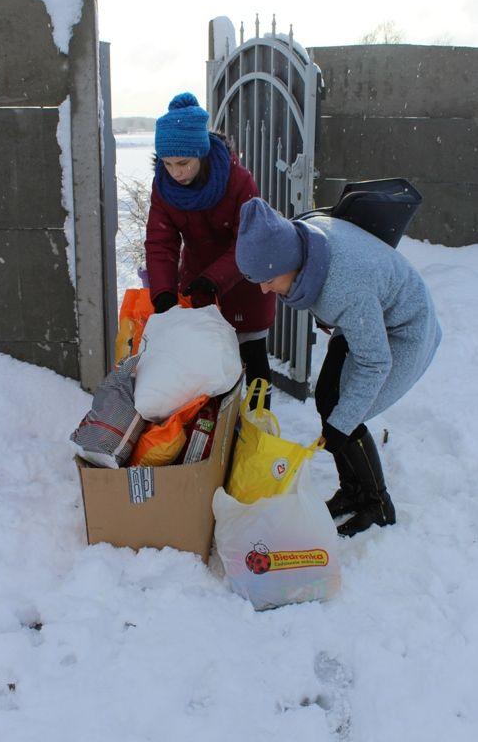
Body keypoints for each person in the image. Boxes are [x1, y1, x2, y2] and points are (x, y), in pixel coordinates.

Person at [235, 196, 442, 536]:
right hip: (369, 315)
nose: (263, 288)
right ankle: (353, 491)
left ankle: (377, 504)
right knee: (328, 398)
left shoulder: (341, 289)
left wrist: (341, 426)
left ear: (289, 262)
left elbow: (375, 363)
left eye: (268, 278)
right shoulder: (304, 239)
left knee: (348, 412)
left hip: (407, 328)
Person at [145, 92, 276, 407]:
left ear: (201, 154)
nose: (175, 172)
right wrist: (163, 292)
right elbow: (160, 241)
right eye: (167, 163)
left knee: (253, 360)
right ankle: (217, 440)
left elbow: (249, 241)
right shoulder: (164, 187)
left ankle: (257, 435)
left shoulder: (238, 182)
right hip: (199, 286)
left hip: (245, 282)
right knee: (206, 368)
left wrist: (214, 279)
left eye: (183, 163)